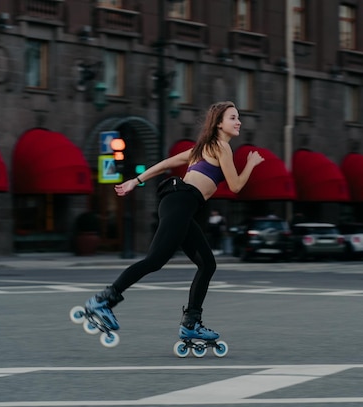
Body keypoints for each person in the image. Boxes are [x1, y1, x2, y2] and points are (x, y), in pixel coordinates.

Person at [84, 101, 265, 342]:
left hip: (180, 204)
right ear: (219, 123)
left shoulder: (204, 147)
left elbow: (166, 164)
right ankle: (102, 301)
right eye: (233, 117)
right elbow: (236, 186)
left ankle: (191, 323)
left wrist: (135, 181)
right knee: (155, 260)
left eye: (238, 117)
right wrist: (250, 165)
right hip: (181, 202)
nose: (238, 121)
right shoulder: (221, 147)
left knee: (207, 264)